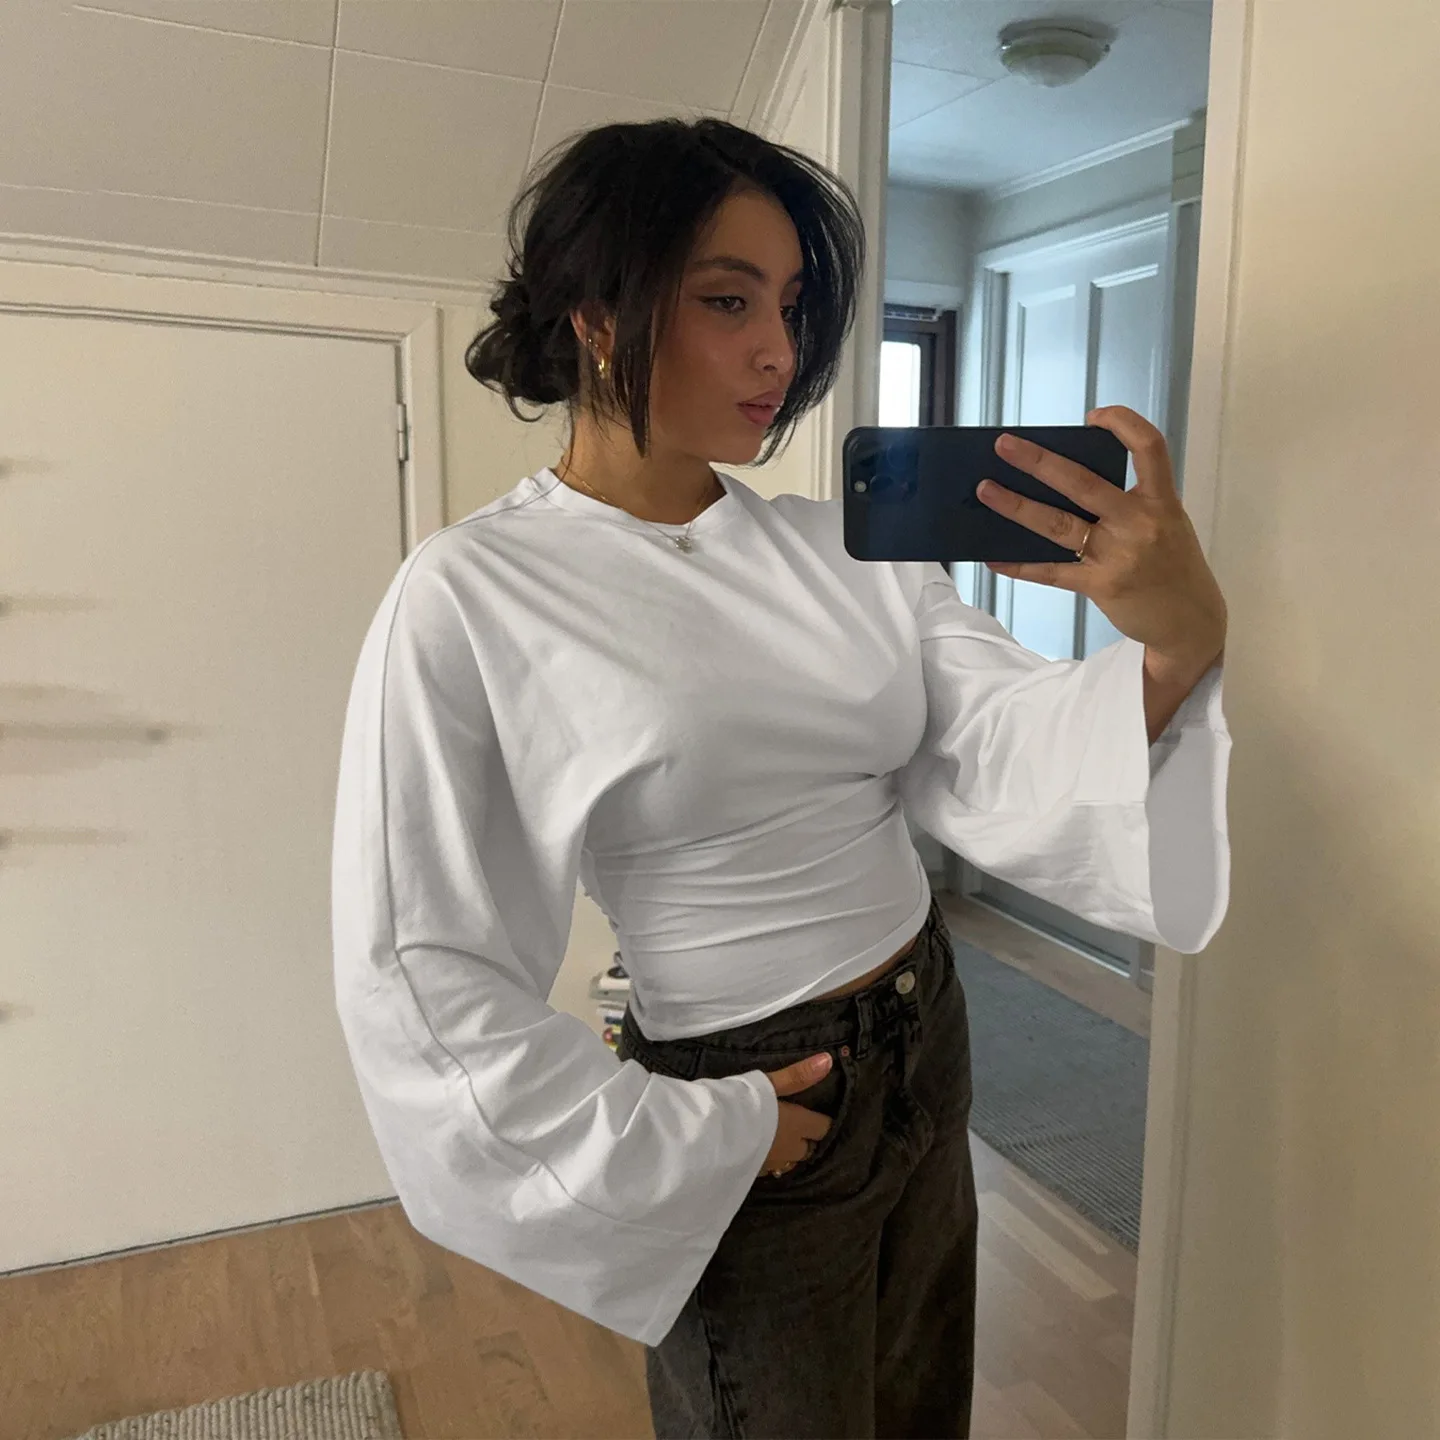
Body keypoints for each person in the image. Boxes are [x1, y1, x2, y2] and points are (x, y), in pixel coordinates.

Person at [329, 117, 1231, 1440]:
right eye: (727, 300)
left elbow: (996, 738)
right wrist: (697, 1134)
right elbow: (415, 959)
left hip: (929, 1036)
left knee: (923, 1412)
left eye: (793, 305)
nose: (779, 351)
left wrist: (1177, 637)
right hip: (757, 1097)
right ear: (598, 316)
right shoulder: (474, 593)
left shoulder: (839, 548)